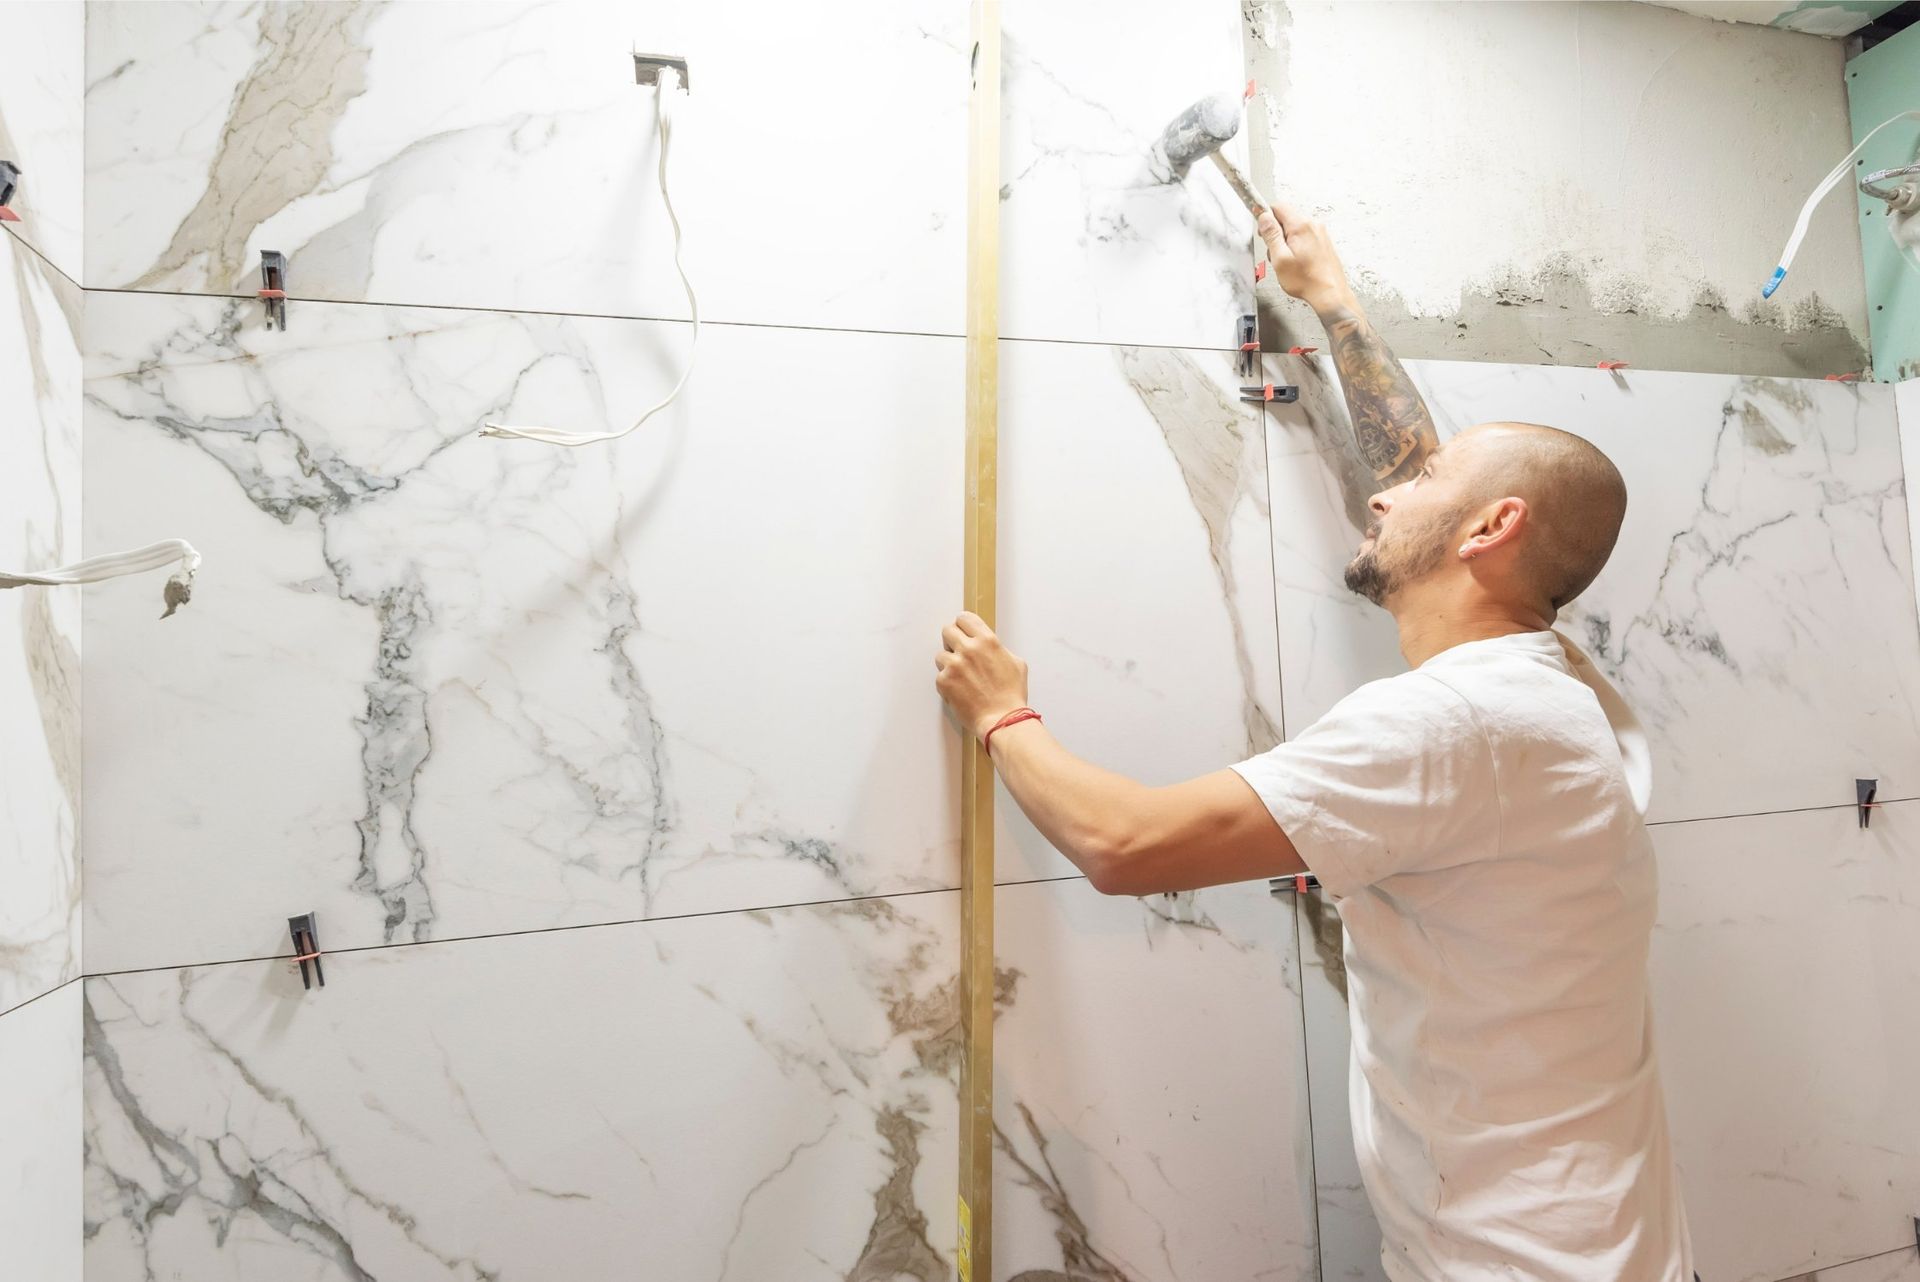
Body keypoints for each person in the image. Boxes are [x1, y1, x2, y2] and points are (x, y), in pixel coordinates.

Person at [934, 201, 1695, 1281]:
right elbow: (1447, 488)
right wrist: (1333, 304)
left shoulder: (1455, 724)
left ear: (1490, 531)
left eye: (1420, 489)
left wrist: (1004, 710)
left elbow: (1126, 845)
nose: (1384, 491)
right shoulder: (1554, 690)